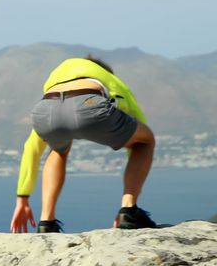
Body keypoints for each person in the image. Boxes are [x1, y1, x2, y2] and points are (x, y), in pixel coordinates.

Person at [9, 55, 158, 233]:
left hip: (45, 107)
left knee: (58, 150)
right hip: (89, 102)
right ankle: (129, 210)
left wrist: (22, 198)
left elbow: (31, 149)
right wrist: (134, 156)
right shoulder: (109, 78)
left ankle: (46, 222)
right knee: (145, 139)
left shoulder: (58, 78)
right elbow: (136, 121)